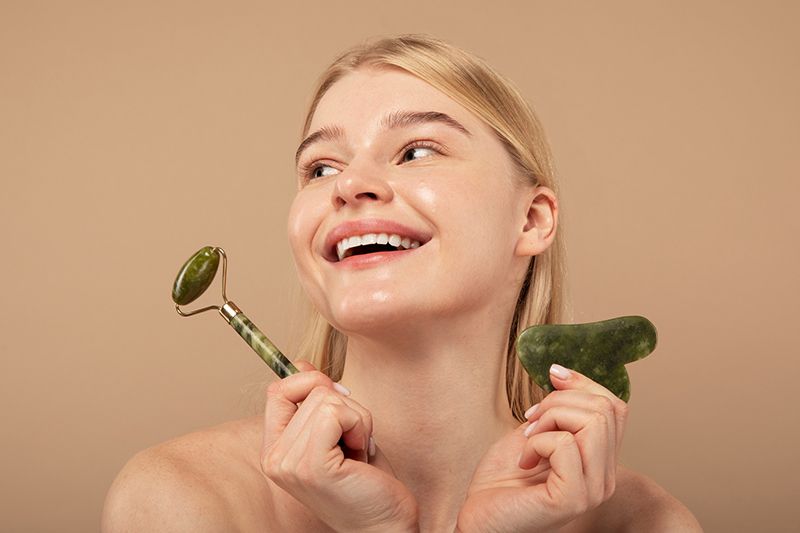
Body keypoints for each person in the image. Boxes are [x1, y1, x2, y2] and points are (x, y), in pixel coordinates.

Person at [102, 34, 702, 532]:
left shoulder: (646, 523)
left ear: (531, 219)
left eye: (416, 151)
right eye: (321, 167)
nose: (347, 184)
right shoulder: (181, 500)